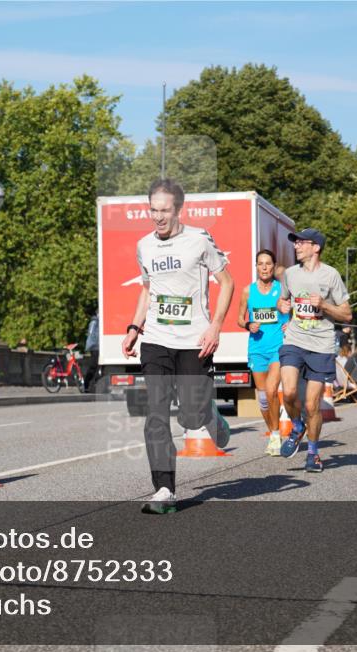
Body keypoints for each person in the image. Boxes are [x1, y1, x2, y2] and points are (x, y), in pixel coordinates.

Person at [122, 178, 234, 514]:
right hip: (156, 339)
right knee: (155, 413)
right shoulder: (144, 246)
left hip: (195, 340)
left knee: (189, 416)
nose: (158, 216)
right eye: (153, 209)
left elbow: (227, 282)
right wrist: (134, 327)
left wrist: (215, 326)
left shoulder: (199, 240)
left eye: (164, 210)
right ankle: (164, 490)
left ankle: (207, 415)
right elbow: (147, 289)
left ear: (179, 210)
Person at [275, 228, 352, 471]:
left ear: (316, 247)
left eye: (301, 243)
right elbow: (282, 301)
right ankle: (297, 426)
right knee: (287, 392)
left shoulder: (331, 276)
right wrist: (282, 305)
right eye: (295, 243)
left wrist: (325, 305)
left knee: (311, 405)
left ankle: (313, 453)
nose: (296, 246)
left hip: (321, 346)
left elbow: (347, 314)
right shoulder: (289, 274)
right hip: (294, 340)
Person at [237, 249, 289, 456]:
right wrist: (248, 324)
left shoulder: (282, 289)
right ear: (256, 267)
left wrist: (290, 324)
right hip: (256, 349)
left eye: (268, 263)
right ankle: (273, 433)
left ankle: (275, 435)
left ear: (274, 267)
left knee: (271, 390)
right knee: (263, 399)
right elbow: (240, 318)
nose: (264, 267)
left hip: (277, 348)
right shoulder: (248, 292)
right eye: (260, 263)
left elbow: (291, 312)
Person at [83, 313, 101, 392]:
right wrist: (94, 345)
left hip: (97, 346)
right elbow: (91, 334)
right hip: (95, 347)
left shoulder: (98, 322)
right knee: (93, 366)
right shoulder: (94, 322)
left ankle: (92, 385)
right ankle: (86, 385)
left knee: (96, 367)